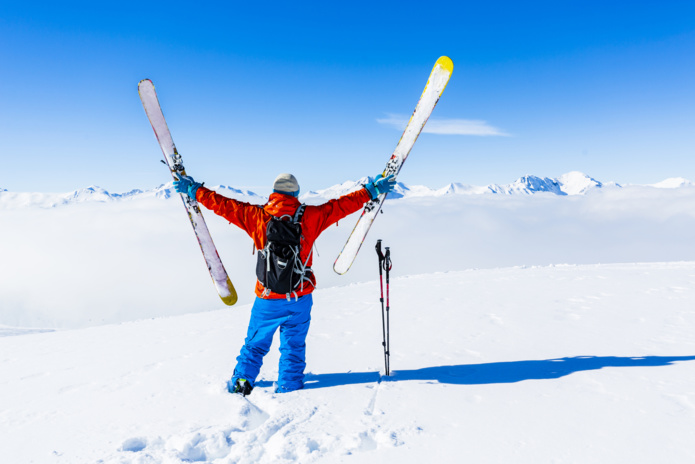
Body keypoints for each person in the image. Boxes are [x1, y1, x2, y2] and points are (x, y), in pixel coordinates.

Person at [174, 172, 396, 395]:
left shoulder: (256, 216)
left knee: (255, 344)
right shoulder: (312, 215)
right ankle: (289, 387)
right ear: (296, 193)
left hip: (267, 298)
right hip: (300, 296)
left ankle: (242, 382)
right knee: (293, 346)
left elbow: (223, 205)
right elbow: (340, 206)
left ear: (274, 193)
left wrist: (194, 190)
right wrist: (371, 191)